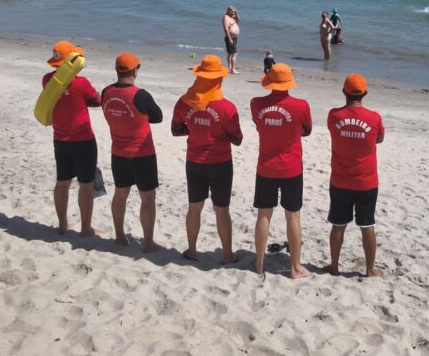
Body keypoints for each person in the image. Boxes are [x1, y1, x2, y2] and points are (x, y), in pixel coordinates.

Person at [171, 55, 242, 263]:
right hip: (220, 163)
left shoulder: (184, 102)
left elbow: (176, 130)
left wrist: (195, 129)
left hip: (194, 162)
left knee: (194, 207)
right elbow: (237, 139)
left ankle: (192, 250)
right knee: (222, 210)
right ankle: (228, 254)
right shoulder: (227, 107)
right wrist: (218, 132)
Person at [250, 63, 313, 279]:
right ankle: (295, 267)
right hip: (291, 167)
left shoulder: (256, 104)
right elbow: (307, 130)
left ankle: (259, 263)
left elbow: (260, 125)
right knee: (292, 216)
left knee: (263, 215)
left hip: (266, 166)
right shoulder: (301, 105)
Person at [101, 53, 164, 252]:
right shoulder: (140, 95)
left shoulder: (106, 92)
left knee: (120, 194)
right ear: (135, 70)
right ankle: (148, 242)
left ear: (116, 70)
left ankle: (120, 236)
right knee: (147, 198)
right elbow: (158, 116)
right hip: (141, 154)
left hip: (118, 153)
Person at [326, 74, 386, 277]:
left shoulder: (334, 116)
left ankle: (334, 266)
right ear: (365, 93)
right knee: (367, 225)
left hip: (340, 181)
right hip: (366, 182)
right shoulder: (374, 117)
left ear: (344, 92)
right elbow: (379, 139)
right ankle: (370, 269)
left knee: (338, 225)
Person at [42, 42, 101, 236]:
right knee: (86, 184)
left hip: (60, 139)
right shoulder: (81, 83)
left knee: (62, 182)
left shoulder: (46, 81)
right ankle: (86, 228)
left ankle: (62, 224)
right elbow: (97, 100)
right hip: (83, 139)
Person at [223, 6, 240, 74]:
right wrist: (229, 39)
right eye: (232, 11)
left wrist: (236, 12)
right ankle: (233, 69)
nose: (233, 12)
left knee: (230, 54)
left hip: (234, 38)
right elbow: (226, 29)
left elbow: (238, 20)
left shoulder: (232, 18)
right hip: (230, 38)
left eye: (234, 11)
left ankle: (230, 69)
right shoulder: (226, 17)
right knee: (234, 54)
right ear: (228, 11)